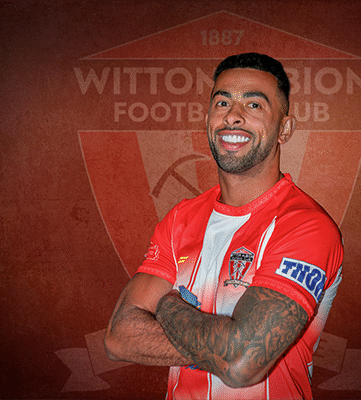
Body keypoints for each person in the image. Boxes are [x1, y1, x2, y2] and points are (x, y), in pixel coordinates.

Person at [104, 53, 344, 399]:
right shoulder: (181, 218)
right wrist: (226, 345)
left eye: (254, 105)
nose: (233, 115)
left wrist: (169, 305)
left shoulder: (306, 227)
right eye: (222, 102)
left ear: (285, 129)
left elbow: (242, 364)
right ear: (208, 120)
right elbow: (118, 336)